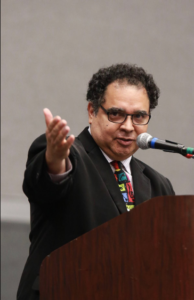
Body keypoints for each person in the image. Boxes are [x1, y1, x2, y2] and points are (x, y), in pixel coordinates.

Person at [17, 64, 175, 300]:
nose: (129, 127)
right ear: (92, 111)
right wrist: (55, 160)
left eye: (139, 116)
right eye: (116, 114)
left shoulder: (158, 184)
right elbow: (46, 185)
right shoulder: (67, 155)